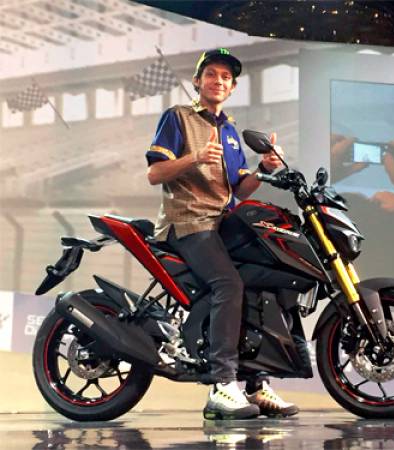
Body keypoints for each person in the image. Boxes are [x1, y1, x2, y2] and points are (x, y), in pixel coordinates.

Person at [145, 48, 298, 420]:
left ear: (232, 87)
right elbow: (155, 173)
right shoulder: (178, 117)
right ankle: (222, 385)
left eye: (226, 77)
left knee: (264, 279)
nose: (218, 81)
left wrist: (263, 169)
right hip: (190, 221)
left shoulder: (230, 130)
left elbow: (240, 190)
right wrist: (194, 157)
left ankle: (256, 384)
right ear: (198, 81)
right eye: (211, 74)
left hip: (224, 223)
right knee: (228, 284)